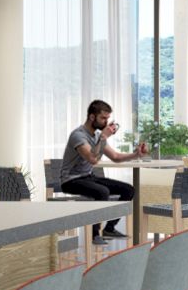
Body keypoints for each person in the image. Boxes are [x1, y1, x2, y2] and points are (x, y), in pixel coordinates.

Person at [61, 99, 144, 238]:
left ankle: (109, 229)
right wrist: (104, 137)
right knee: (102, 192)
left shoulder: (98, 136)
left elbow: (116, 157)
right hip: (70, 181)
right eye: (103, 118)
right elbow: (93, 159)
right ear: (92, 117)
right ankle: (95, 235)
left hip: (88, 177)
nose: (106, 122)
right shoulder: (78, 135)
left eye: (108, 118)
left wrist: (136, 154)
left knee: (128, 190)